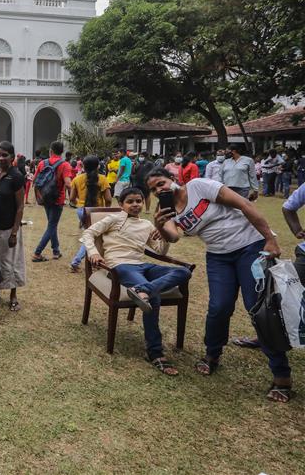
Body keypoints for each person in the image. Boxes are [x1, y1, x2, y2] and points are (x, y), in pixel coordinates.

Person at [148, 168, 293, 402]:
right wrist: (160, 224)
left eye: (161, 183)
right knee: (219, 307)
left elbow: (244, 204)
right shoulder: (166, 210)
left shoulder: (198, 186)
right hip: (218, 256)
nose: (159, 189)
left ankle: (281, 374)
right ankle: (212, 355)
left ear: (173, 179)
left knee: (258, 308)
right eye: (154, 188)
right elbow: (174, 237)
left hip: (249, 246)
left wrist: (270, 239)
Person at [81, 187, 191, 375]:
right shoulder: (113, 219)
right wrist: (93, 252)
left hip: (142, 266)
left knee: (184, 272)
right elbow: (88, 234)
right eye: (130, 201)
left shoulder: (147, 225)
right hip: (119, 267)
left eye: (138, 201)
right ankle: (155, 352)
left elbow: (160, 251)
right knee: (153, 297)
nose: (135, 205)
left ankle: (144, 289)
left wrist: (163, 233)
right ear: (121, 204)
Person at [0, 141, 26, 311]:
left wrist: (14, 232)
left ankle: (13, 296)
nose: (1, 158)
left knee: (11, 262)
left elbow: (20, 206)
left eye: (5, 155)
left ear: (11, 156)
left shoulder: (16, 176)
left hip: (10, 228)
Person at [69, 155, 113, 273]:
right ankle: (77, 261)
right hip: (98, 212)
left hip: (82, 211)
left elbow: (72, 198)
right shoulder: (103, 179)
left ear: (83, 166)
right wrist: (106, 210)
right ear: (98, 166)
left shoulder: (77, 179)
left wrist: (79, 204)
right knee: (92, 237)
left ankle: (91, 261)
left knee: (90, 235)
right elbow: (108, 199)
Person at [31, 140, 73, 262]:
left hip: (45, 198)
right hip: (57, 199)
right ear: (62, 152)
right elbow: (68, 183)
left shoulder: (42, 163)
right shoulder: (65, 165)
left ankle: (56, 251)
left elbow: (35, 180)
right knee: (52, 225)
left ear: (50, 151)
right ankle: (37, 253)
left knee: (51, 224)